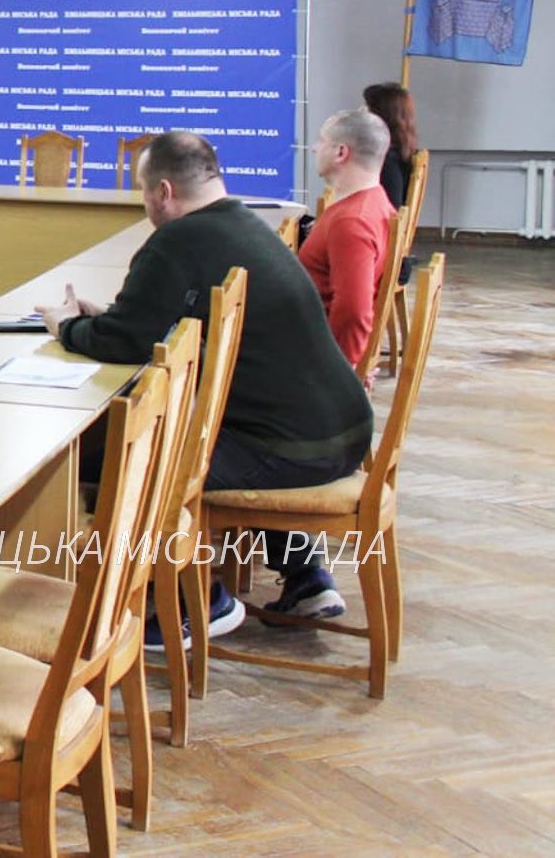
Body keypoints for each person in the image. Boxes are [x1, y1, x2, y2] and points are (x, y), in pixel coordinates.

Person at [40, 131, 373, 628]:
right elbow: (151, 324)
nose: (144, 203)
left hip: (294, 449)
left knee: (139, 457)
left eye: (143, 191)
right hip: (343, 430)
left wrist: (67, 325)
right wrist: (111, 319)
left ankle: (197, 601)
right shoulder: (245, 224)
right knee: (216, 421)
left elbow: (124, 342)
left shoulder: (177, 240)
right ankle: (306, 576)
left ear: (164, 192)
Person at [301, 109, 397, 369]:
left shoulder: (351, 222)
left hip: (310, 356)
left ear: (341, 152)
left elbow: (354, 311)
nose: (314, 148)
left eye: (321, 141)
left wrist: (343, 372)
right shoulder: (374, 201)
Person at [363, 81, 421, 210]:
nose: (362, 113)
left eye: (367, 108)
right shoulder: (401, 149)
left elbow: (392, 208)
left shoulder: (388, 160)